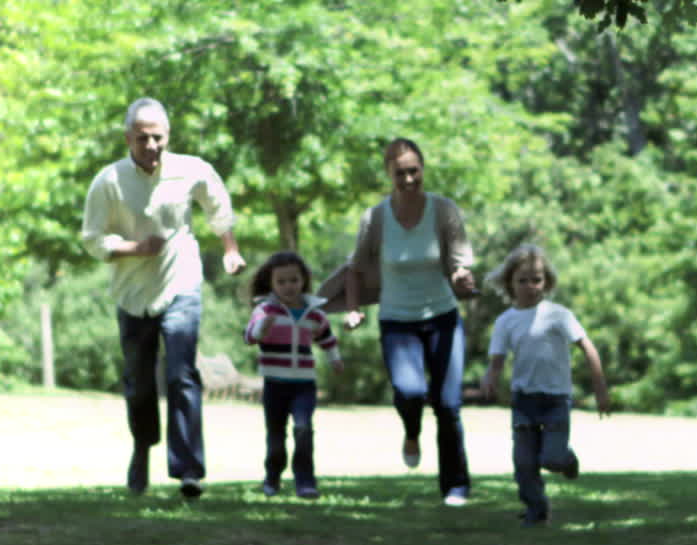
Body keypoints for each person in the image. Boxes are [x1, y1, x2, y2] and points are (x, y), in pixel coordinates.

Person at [81, 97, 245, 500]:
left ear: (168, 136)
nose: (151, 146)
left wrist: (229, 248)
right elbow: (92, 239)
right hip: (132, 292)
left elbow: (217, 205)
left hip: (181, 282)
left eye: (157, 138)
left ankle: (189, 470)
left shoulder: (191, 169)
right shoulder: (109, 181)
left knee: (181, 372)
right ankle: (142, 448)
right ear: (127, 139)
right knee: (139, 384)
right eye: (142, 139)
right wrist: (135, 248)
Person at [318, 138, 477, 506]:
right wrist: (355, 309)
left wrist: (462, 280)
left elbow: (457, 264)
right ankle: (411, 431)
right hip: (397, 321)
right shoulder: (375, 218)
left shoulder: (444, 211)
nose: (408, 179)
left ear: (423, 170)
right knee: (409, 391)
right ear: (389, 174)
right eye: (400, 173)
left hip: (442, 317)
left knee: (449, 404)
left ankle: (456, 486)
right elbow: (355, 270)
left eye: (414, 171)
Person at [479, 244, 611, 526]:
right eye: (522, 280)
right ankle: (537, 512)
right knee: (524, 466)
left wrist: (600, 388)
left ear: (547, 282)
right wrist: (490, 377)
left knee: (551, 458)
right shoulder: (505, 322)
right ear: (510, 283)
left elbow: (587, 347)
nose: (530, 286)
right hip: (523, 401)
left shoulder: (558, 315)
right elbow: (498, 360)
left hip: (556, 400)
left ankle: (566, 459)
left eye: (537, 279)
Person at [244, 251, 344, 499]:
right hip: (274, 383)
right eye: (281, 282)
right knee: (276, 434)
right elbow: (249, 336)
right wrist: (261, 329)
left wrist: (335, 359)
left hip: (303, 384)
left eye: (294, 280)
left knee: (303, 429)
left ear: (303, 281)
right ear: (271, 283)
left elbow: (327, 339)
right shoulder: (265, 310)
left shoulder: (314, 313)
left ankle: (305, 482)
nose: (288, 286)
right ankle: (272, 478)